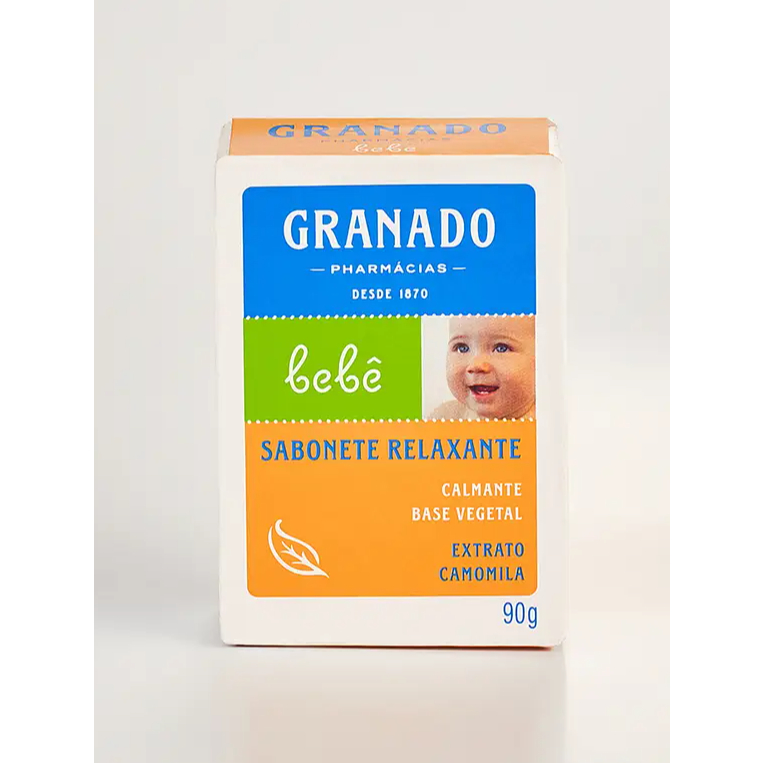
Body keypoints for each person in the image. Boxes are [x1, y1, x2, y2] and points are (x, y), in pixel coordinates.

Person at [429, 315, 536, 420]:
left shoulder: (543, 425)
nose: (476, 365)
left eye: (501, 348)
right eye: (462, 348)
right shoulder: (445, 416)